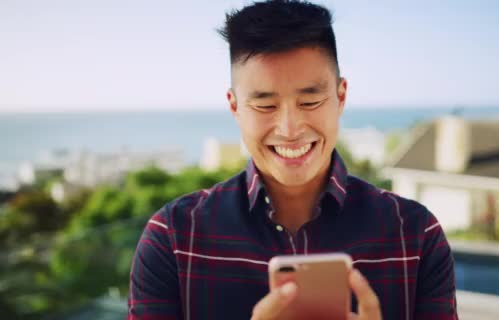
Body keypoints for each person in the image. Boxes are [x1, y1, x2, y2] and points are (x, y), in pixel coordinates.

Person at [128, 1, 458, 319]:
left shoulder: (416, 236)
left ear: (340, 97)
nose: (289, 129)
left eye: (310, 101)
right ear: (234, 107)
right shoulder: (173, 238)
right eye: (266, 106)